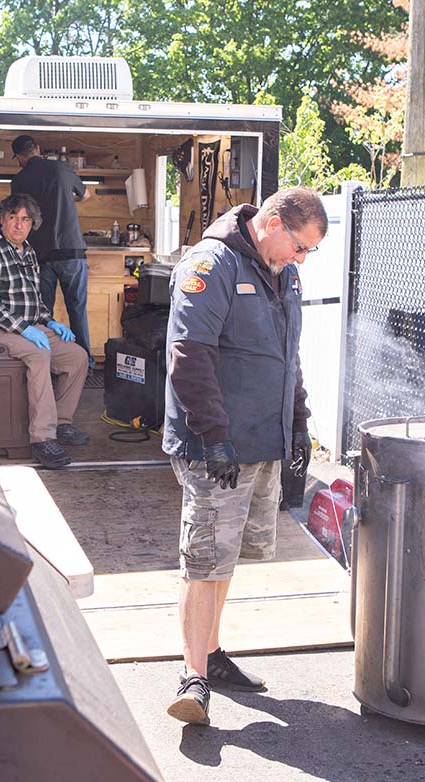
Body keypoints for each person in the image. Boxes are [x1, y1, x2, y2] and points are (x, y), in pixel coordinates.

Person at [163, 187, 327, 725]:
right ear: (274, 222)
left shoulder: (286, 275)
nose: (302, 260)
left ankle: (210, 655)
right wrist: (214, 436)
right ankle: (192, 679)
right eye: (300, 247)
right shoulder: (211, 263)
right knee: (203, 559)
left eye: (308, 253)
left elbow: (289, 357)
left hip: (261, 441)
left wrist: (298, 423)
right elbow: (188, 355)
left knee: (225, 558)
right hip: (217, 445)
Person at [0, 193, 90, 469]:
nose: (19, 225)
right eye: (13, 218)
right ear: (1, 220)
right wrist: (25, 328)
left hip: (30, 325)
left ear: (32, 224)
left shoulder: (29, 252)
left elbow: (34, 300)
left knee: (77, 356)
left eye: (25, 219)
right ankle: (43, 439)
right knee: (38, 354)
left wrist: (50, 320)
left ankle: (62, 423)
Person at [9, 135, 94, 367]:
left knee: (42, 312)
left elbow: (17, 215)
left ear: (18, 157)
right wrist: (67, 200)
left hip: (41, 255)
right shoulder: (61, 168)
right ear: (37, 148)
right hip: (71, 251)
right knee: (77, 310)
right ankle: (84, 363)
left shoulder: (18, 181)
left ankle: (48, 362)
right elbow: (86, 194)